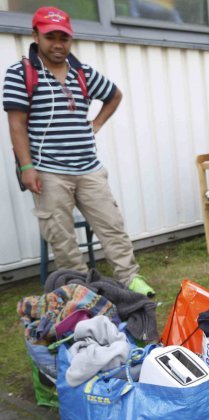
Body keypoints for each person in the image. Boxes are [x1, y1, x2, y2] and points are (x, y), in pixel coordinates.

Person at [3, 6, 155, 297]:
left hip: (89, 169)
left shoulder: (82, 72)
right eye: (51, 37)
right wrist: (26, 167)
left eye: (64, 38)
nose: (58, 44)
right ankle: (82, 289)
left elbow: (114, 95)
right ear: (35, 35)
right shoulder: (20, 73)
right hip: (47, 171)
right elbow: (17, 125)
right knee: (62, 238)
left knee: (113, 227)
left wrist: (96, 123)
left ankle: (131, 279)